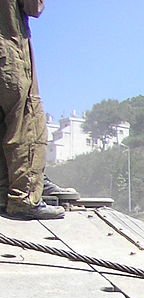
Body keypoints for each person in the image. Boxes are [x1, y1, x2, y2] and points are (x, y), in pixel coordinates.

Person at [0, 0, 70, 220]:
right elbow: (33, 7)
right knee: (25, 121)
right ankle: (25, 197)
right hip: (6, 48)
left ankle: (7, 191)